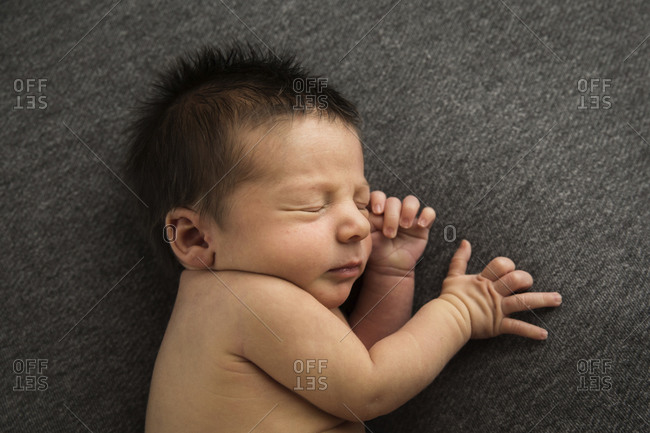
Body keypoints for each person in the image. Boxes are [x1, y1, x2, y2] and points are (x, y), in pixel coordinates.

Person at [125, 43, 562, 432]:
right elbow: (369, 390)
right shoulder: (240, 301)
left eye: (359, 200)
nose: (357, 225)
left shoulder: (250, 301)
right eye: (313, 204)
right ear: (196, 237)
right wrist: (459, 313)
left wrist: (389, 273)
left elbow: (357, 370)